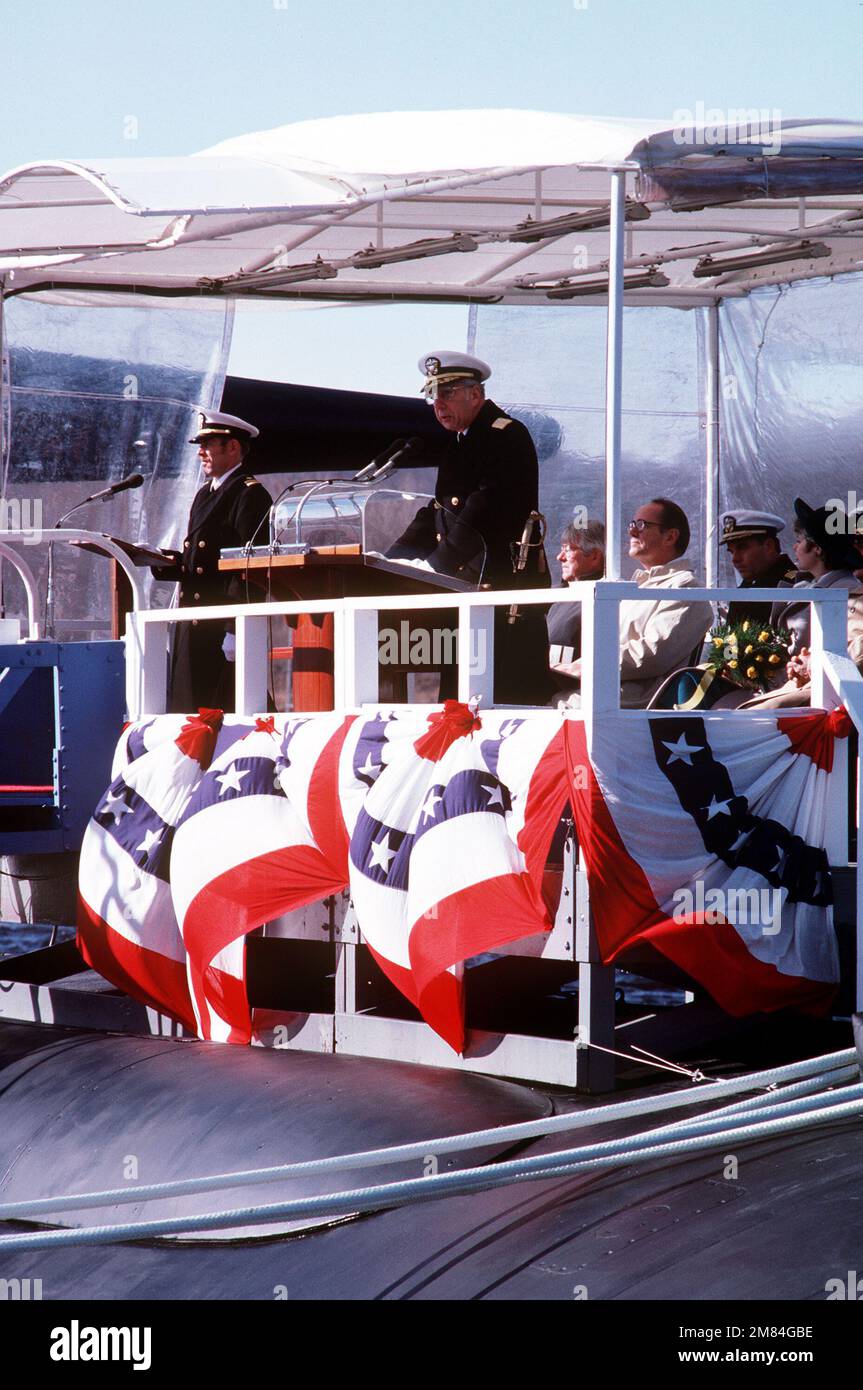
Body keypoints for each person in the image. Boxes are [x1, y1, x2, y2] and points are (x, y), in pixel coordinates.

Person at [388, 351, 550, 704]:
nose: (438, 404)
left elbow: (484, 509)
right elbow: (437, 511)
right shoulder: (463, 441)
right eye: (433, 395)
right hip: (463, 592)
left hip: (500, 589)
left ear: (475, 394)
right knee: (460, 701)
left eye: (446, 394)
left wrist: (434, 567)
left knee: (503, 698)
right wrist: (389, 561)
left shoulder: (503, 435)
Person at [152, 410, 273, 712]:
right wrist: (160, 560)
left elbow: (250, 568)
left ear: (232, 447)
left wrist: (236, 629)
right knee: (189, 713)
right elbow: (201, 562)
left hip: (219, 628)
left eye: (208, 444)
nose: (200, 453)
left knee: (225, 714)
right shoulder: (205, 494)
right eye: (199, 446)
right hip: (193, 623)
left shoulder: (250, 495)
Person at [739, 496, 862, 708]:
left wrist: (808, 663)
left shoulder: (851, 593)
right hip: (788, 682)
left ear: (817, 548)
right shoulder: (804, 587)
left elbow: (853, 649)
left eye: (800, 540)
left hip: (821, 692)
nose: (794, 546)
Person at [547, 519, 605, 695]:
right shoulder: (554, 597)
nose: (560, 557)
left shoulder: (603, 600)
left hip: (571, 693)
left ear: (595, 556)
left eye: (568, 549)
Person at [721, 510, 798, 623]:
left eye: (742, 548)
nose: (735, 559)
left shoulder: (792, 585)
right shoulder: (751, 583)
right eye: (731, 552)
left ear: (769, 546)